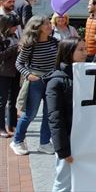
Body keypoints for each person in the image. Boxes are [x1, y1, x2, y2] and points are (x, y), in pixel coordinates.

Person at [44, 37, 87, 192]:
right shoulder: (56, 81)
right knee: (63, 183)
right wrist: (63, 150)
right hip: (68, 140)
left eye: (86, 49)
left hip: (84, 139)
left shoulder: (85, 73)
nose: (85, 53)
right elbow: (55, 118)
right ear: (69, 52)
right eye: (80, 50)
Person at [11, 15, 58, 155]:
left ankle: (44, 143)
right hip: (35, 81)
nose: (50, 26)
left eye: (50, 23)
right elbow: (18, 63)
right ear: (37, 27)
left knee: (49, 114)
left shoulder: (54, 42)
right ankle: (17, 141)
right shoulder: (30, 44)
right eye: (46, 24)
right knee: (30, 114)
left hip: (51, 80)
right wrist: (28, 75)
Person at [0, 14, 20, 138]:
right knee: (2, 101)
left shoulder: (14, 36)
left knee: (13, 100)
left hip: (15, 71)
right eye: (14, 26)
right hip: (3, 73)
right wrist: (15, 48)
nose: (16, 29)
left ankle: (12, 124)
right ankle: (1, 127)